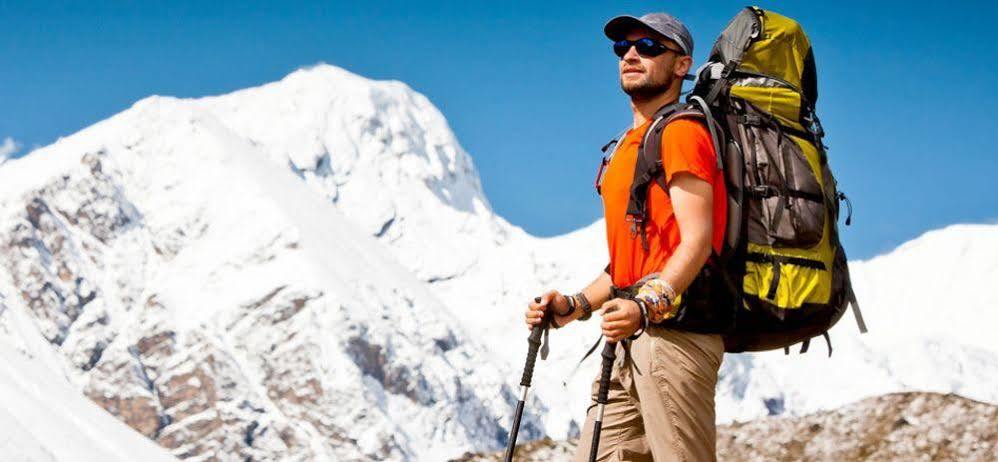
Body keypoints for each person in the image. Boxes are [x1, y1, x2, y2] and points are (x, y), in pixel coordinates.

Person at [524, 11, 727, 462]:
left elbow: (697, 240)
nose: (632, 54)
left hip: (678, 336)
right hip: (631, 337)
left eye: (650, 47)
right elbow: (631, 261)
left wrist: (645, 305)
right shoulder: (626, 148)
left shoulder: (681, 133)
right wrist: (573, 306)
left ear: (681, 65)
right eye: (623, 47)